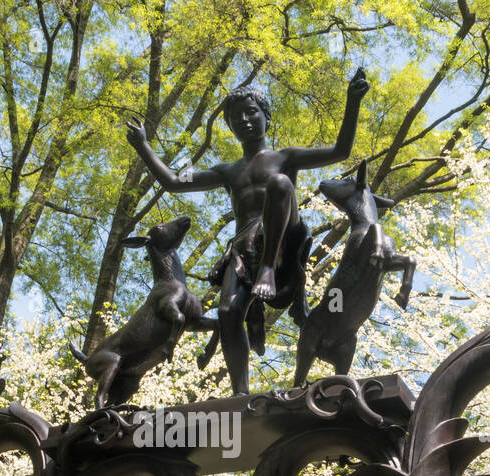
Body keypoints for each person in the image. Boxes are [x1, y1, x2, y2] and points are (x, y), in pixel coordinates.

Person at [125, 67, 370, 394]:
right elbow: (172, 181)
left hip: (284, 239)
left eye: (251, 112)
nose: (244, 120)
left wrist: (352, 102)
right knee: (227, 311)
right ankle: (240, 394)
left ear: (266, 116)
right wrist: (143, 146)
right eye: (235, 118)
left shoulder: (286, 157)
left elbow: (340, 150)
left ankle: (268, 268)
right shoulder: (227, 170)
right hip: (244, 250)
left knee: (280, 183)